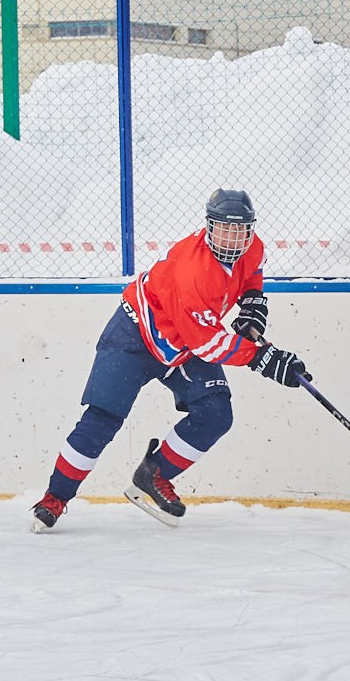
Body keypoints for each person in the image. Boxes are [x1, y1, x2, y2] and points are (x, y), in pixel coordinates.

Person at [30, 188, 309, 530]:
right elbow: (207, 344)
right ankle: (55, 498)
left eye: (241, 230)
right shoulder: (195, 271)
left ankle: (154, 474)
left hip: (185, 340)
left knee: (216, 413)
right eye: (225, 229)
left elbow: (252, 273)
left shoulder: (253, 248)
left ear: (251, 229)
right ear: (209, 227)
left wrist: (252, 303)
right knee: (101, 421)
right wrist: (263, 358)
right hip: (135, 335)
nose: (233, 238)